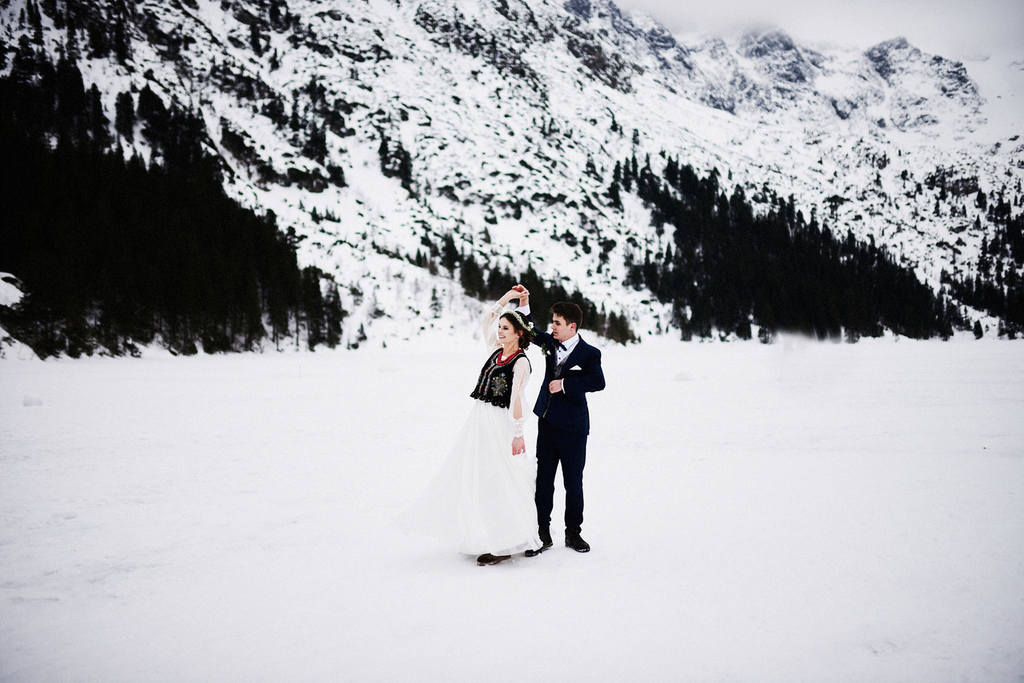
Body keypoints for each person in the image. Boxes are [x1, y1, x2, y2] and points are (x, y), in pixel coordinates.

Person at [399, 289, 541, 566]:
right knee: (480, 476)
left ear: (518, 333)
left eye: (506, 328)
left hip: (500, 424)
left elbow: (517, 399)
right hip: (480, 422)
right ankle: (486, 536)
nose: (500, 331)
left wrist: (517, 434)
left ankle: (506, 542)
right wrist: (506, 299)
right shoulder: (496, 350)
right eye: (500, 327)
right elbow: (486, 320)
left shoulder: (521, 361)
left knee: (501, 478)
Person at [513, 287, 605, 555]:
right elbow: (529, 331)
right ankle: (542, 532)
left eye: (557, 323)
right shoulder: (551, 343)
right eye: (552, 321)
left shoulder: (590, 353)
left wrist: (565, 384)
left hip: (574, 428)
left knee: (573, 483)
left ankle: (573, 533)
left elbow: (598, 382)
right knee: (544, 481)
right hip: (547, 422)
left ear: (571, 326)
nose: (552, 326)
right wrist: (524, 302)